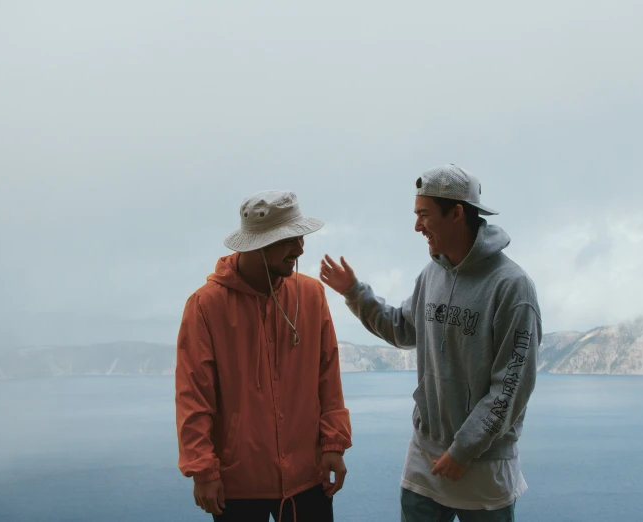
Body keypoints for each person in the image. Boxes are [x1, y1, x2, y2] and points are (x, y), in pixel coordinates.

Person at [320, 165, 541, 522]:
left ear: (456, 213)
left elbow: (512, 386)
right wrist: (353, 292)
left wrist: (463, 450)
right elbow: (401, 329)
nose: (417, 226)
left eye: (424, 215)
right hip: (425, 455)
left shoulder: (511, 287)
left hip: (483, 466)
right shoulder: (431, 275)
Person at [176, 190, 352, 522]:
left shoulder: (311, 295)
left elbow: (328, 377)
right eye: (289, 240)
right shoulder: (205, 306)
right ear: (258, 244)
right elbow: (194, 395)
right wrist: (203, 470)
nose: (301, 248)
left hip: (308, 478)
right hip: (237, 485)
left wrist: (333, 444)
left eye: (300, 237)